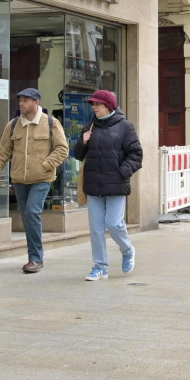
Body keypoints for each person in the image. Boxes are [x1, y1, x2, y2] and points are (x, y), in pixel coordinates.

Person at [0, 87, 68, 274]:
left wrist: (46, 165)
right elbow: (3, 152)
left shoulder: (51, 123)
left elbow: (62, 149)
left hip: (42, 178)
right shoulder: (13, 125)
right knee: (27, 217)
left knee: (32, 213)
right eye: (20, 100)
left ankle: (35, 258)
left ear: (36, 102)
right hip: (20, 180)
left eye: (26, 100)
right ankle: (34, 257)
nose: (21, 103)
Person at [71, 89, 142, 282]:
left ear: (108, 106)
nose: (94, 108)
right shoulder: (89, 126)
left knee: (114, 223)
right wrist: (83, 143)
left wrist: (122, 172)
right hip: (94, 185)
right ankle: (100, 266)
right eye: (93, 105)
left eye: (97, 104)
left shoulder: (126, 127)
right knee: (96, 228)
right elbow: (78, 155)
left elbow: (136, 155)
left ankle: (127, 250)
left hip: (116, 185)